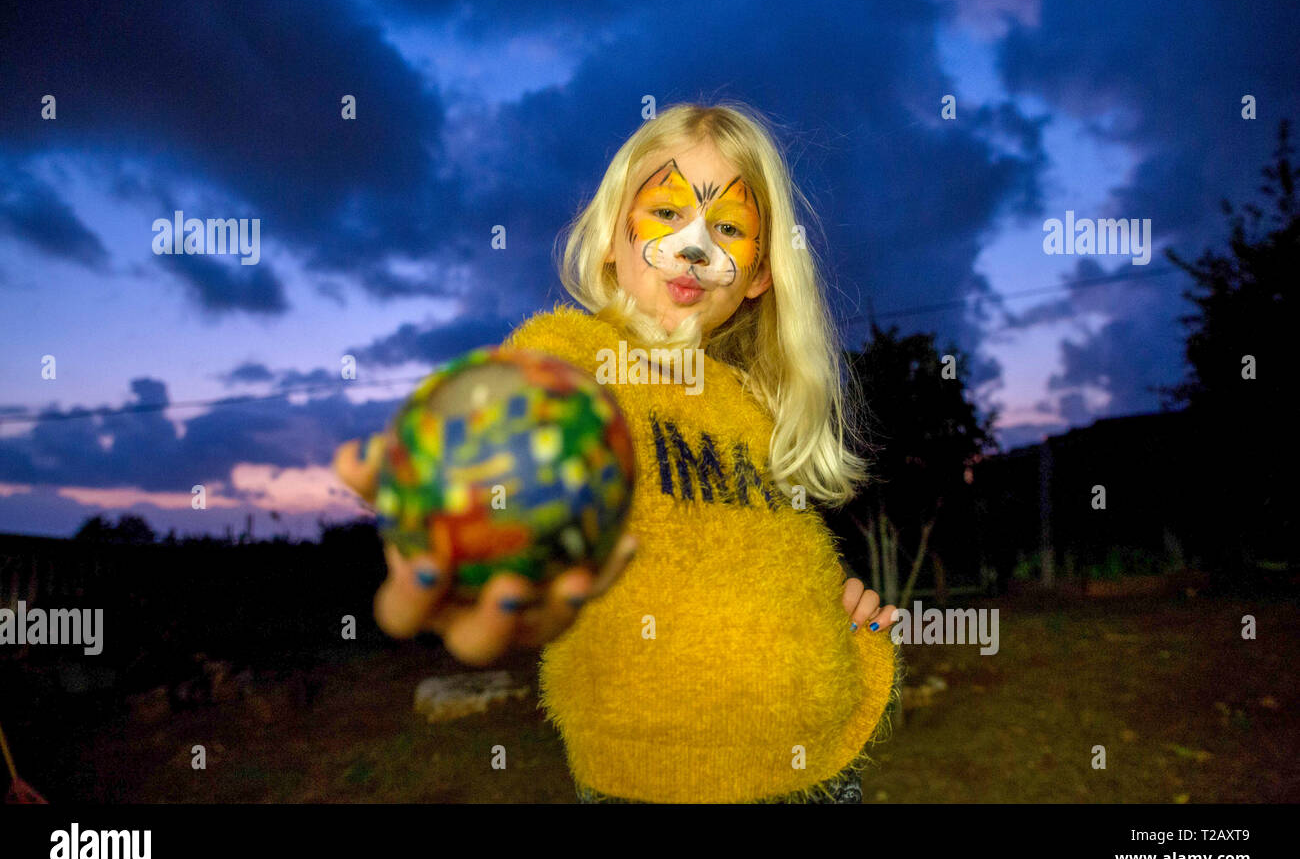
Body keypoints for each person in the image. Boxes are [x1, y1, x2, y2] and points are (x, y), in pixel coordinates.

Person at [334, 101, 901, 803]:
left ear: (759, 272)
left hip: (820, 771)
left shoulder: (751, 400)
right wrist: (455, 526)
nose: (694, 246)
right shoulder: (570, 357)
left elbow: (759, 557)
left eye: (728, 227)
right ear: (609, 236)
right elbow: (507, 442)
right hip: (656, 786)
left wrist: (834, 612)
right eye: (666, 212)